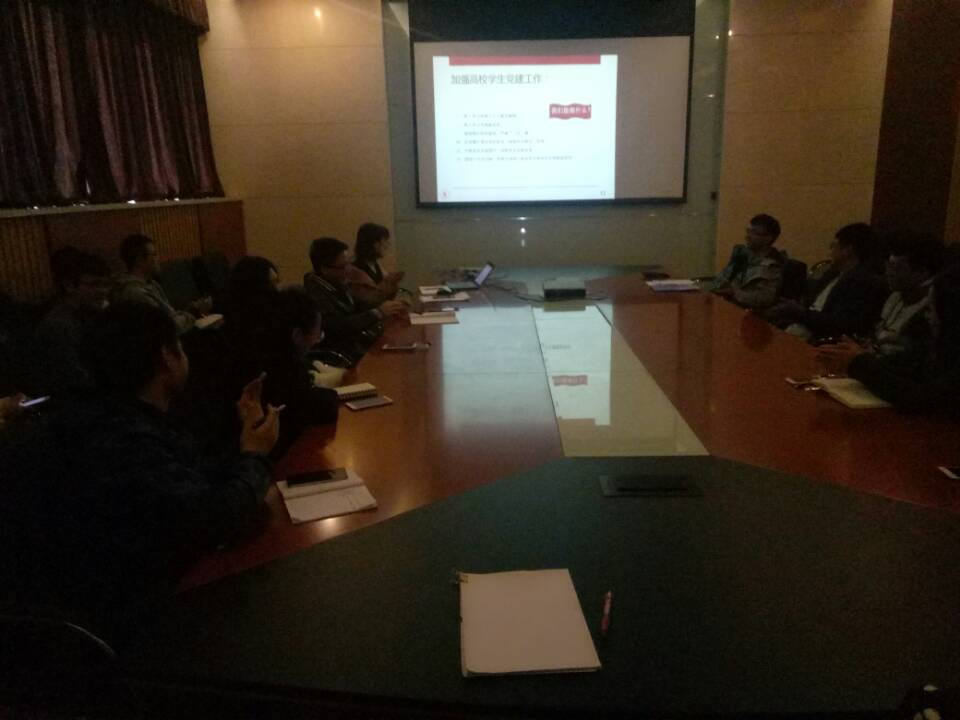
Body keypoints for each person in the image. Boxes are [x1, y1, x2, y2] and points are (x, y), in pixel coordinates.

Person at [0, 302, 279, 636]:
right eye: (180, 347)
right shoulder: (113, 436)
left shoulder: (107, 414)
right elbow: (215, 518)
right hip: (120, 627)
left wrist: (244, 440)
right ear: (166, 357)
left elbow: (191, 478)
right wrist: (255, 455)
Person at [816, 264, 960, 414]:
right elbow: (905, 364)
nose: (926, 315)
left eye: (931, 309)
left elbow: (921, 398)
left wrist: (858, 363)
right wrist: (856, 358)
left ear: (949, 314)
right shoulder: (938, 347)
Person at [228, 287, 339, 458]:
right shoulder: (280, 369)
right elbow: (320, 407)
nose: (317, 340)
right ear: (297, 335)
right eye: (317, 334)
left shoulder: (253, 349)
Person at [763, 223, 885, 343]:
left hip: (820, 338)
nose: (831, 251)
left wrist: (798, 311)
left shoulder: (862, 282)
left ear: (847, 250)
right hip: (803, 327)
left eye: (834, 246)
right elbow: (811, 302)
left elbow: (840, 323)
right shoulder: (833, 273)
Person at [303, 237, 406, 366]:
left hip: (355, 349)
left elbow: (360, 306)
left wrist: (389, 306)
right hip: (339, 357)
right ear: (324, 269)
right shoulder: (314, 294)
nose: (349, 270)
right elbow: (337, 327)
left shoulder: (337, 284)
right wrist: (378, 312)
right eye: (343, 266)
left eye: (348, 264)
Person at [33, 248, 110, 396]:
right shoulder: (59, 326)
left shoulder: (91, 315)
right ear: (69, 286)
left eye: (106, 285)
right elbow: (75, 381)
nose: (103, 291)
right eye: (95, 284)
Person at [111, 234, 202, 334]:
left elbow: (169, 315)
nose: (158, 259)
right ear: (139, 261)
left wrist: (188, 310)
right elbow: (166, 327)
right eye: (154, 255)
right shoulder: (135, 293)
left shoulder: (151, 283)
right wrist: (193, 313)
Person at [709, 214, 785, 310]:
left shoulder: (773, 266)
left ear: (767, 239)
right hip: (727, 305)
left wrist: (735, 293)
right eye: (748, 231)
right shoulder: (743, 255)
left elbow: (765, 299)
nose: (747, 237)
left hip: (749, 312)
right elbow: (722, 278)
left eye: (753, 233)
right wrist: (720, 285)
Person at [349, 223, 405, 306]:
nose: (387, 245)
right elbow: (366, 301)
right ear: (374, 244)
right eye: (384, 241)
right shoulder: (356, 269)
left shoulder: (375, 265)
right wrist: (388, 283)